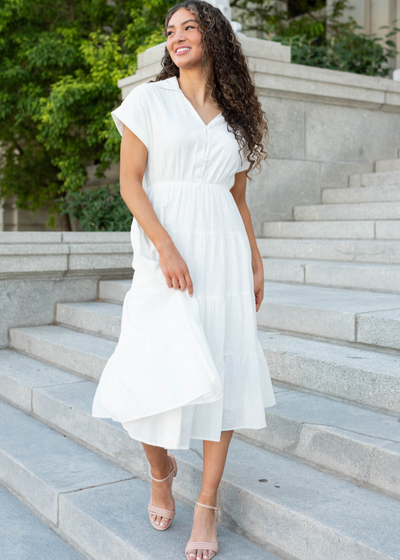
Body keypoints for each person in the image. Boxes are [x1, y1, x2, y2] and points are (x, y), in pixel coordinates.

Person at [92, 1, 276, 558]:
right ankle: (161, 468)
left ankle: (207, 504)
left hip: (222, 253)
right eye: (170, 30)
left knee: (222, 365)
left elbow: (238, 200)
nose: (177, 37)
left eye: (189, 26)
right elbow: (130, 184)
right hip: (163, 251)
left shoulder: (238, 117)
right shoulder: (149, 100)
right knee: (145, 368)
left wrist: (255, 260)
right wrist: (165, 247)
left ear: (214, 35)